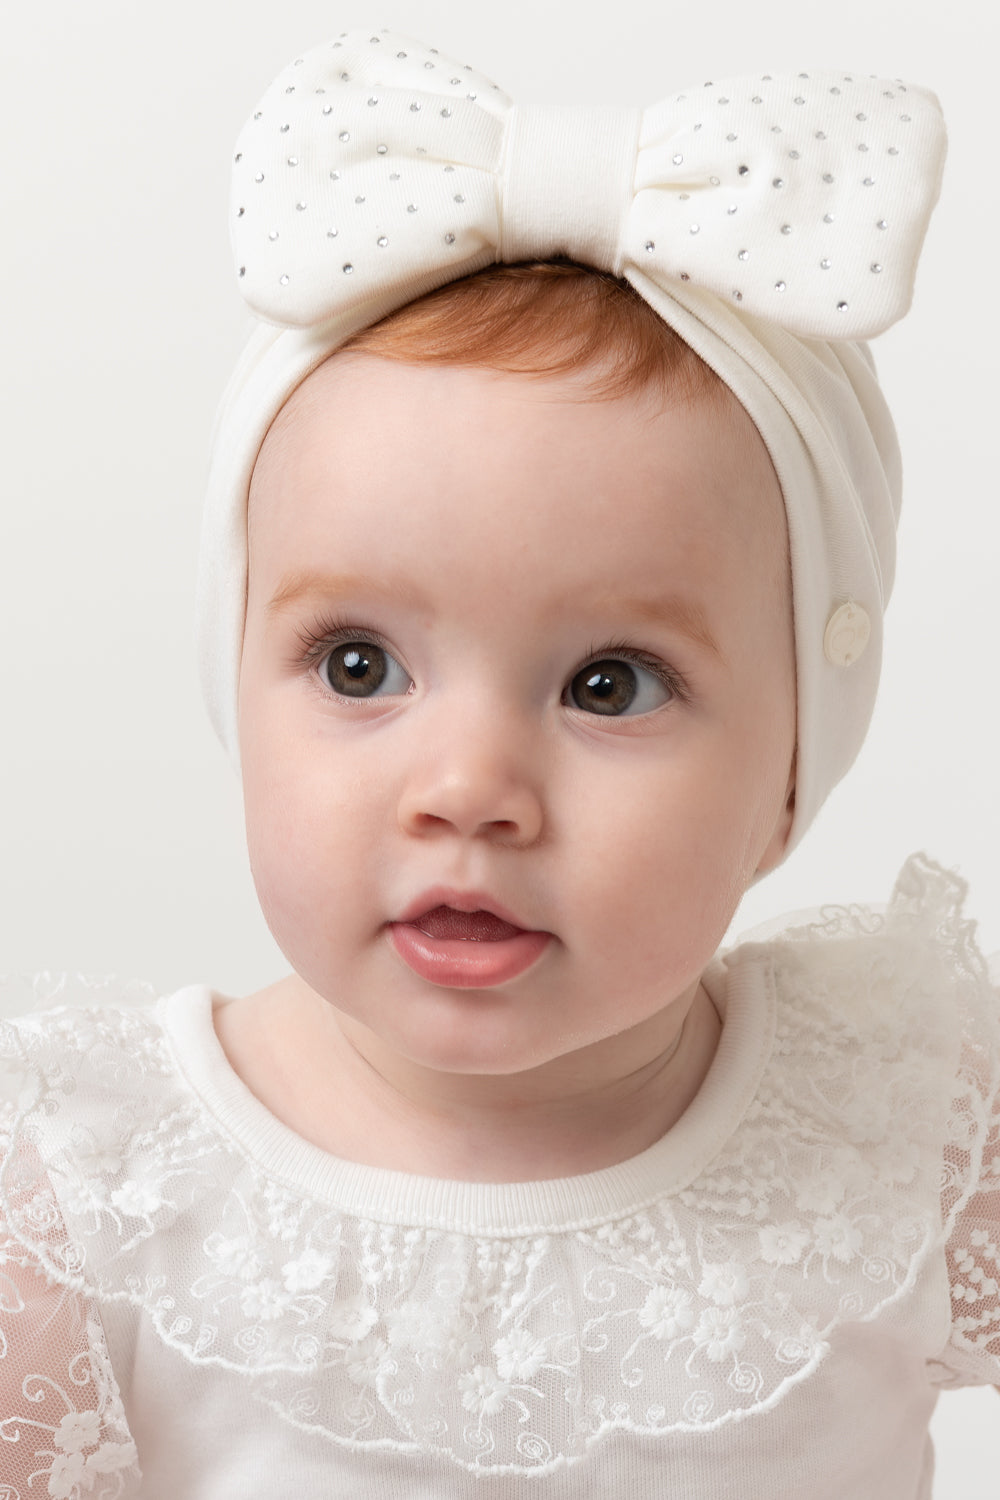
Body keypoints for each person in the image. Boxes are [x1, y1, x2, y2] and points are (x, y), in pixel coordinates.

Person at [0, 28, 994, 1499]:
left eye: (609, 685)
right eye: (360, 667)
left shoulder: (910, 1127)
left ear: (794, 770)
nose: (468, 789)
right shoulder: (95, 1199)